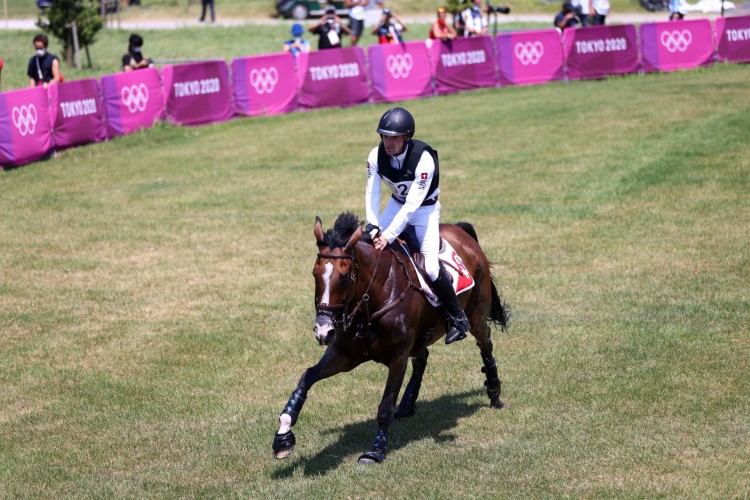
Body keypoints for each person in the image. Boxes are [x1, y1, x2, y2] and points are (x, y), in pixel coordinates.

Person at [365, 107, 471, 345]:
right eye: (384, 136)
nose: (388, 142)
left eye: (394, 137)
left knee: (432, 268)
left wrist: (389, 235)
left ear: (407, 137)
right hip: (396, 205)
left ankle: (458, 319)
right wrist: (372, 225)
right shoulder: (375, 156)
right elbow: (372, 192)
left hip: (425, 211)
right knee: (366, 245)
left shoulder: (424, 159)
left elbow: (413, 205)